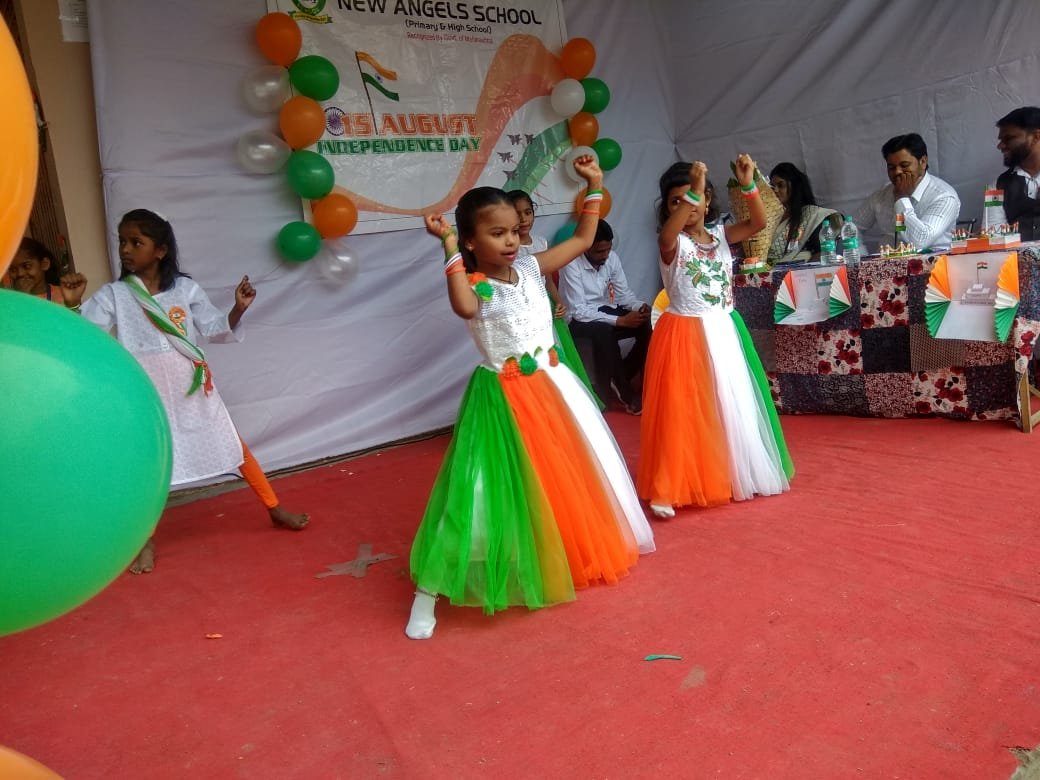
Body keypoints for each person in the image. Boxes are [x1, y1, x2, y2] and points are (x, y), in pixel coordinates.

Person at [407, 157, 654, 640]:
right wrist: (448, 248)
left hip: (553, 389)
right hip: (502, 398)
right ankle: (429, 588)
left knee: (559, 478)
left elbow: (582, 239)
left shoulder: (531, 267)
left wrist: (595, 185)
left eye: (514, 231)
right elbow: (463, 307)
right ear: (472, 241)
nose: (510, 240)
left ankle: (548, 554)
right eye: (496, 233)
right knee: (481, 492)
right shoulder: (474, 285)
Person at [70, 209, 309, 574]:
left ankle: (275, 508)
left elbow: (214, 328)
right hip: (146, 391)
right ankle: (145, 540)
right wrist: (73, 303)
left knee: (233, 445)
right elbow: (86, 334)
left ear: (161, 250)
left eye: (136, 242)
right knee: (150, 464)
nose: (126, 249)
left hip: (190, 384)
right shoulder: (115, 295)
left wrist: (237, 309)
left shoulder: (185, 290)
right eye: (122, 241)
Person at [638, 157, 794, 519]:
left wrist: (748, 184)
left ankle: (735, 471)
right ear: (668, 208)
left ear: (708, 201)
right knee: (683, 410)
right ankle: (670, 485)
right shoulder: (672, 244)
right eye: (677, 201)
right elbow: (665, 236)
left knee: (731, 402)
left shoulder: (722, 236)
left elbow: (759, 222)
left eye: (695, 197)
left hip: (724, 328)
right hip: (685, 334)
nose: (688, 205)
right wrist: (693, 190)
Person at [507, 189, 603, 408]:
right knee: (531, 359)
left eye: (527, 212)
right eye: (517, 214)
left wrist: (558, 301)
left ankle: (561, 404)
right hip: (523, 312)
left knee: (554, 357)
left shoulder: (540, 242)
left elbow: (548, 279)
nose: (524, 219)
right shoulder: (509, 248)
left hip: (545, 308)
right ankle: (537, 404)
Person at [556, 219, 651, 415]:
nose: (605, 255)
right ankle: (625, 393)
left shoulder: (611, 258)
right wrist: (620, 320)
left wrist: (639, 307)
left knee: (645, 324)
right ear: (585, 247)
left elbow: (623, 295)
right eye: (599, 251)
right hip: (575, 319)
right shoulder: (571, 263)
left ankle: (627, 375)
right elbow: (579, 310)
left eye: (608, 249)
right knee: (604, 331)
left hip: (604, 309)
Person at [851, 133, 960, 253]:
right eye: (891, 167)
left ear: (923, 162)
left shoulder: (944, 197)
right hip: (886, 263)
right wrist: (859, 256)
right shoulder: (882, 196)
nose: (897, 172)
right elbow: (851, 227)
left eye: (904, 165)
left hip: (933, 262)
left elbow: (921, 241)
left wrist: (901, 198)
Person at [767, 163, 841, 264]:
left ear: (794, 186)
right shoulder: (770, 218)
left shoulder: (813, 216)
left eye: (781, 185)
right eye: (772, 187)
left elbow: (823, 253)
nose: (775, 190)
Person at [995, 106, 1040, 241]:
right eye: (1001, 140)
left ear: (1036, 136)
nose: (1000, 146)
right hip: (1016, 254)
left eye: (1008, 138)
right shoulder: (998, 185)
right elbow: (995, 235)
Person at [6, 237, 85, 308]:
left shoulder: (64, 293)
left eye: (27, 266)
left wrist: (72, 304)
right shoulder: (7, 301)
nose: (20, 273)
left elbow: (73, 319)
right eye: (13, 269)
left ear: (44, 264)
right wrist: (21, 298)